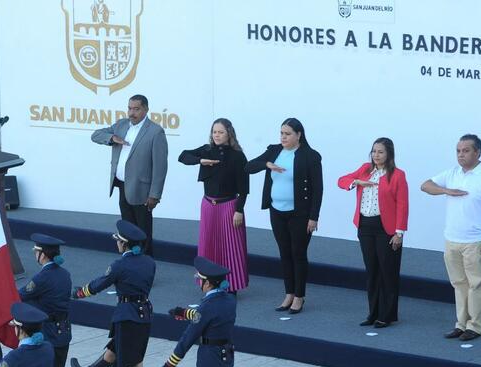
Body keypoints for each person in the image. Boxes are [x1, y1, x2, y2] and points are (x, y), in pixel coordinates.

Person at [70, 220, 158, 367]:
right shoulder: (149, 262)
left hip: (127, 316)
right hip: (144, 314)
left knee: (136, 364)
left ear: (124, 244)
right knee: (114, 350)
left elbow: (99, 284)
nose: (116, 243)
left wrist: (78, 293)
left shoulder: (120, 265)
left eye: (118, 240)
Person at [421, 134, 481, 341]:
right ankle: (461, 323)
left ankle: (474, 326)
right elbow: (425, 185)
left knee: (476, 283)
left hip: (475, 241)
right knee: (459, 283)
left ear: (478, 152)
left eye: (466, 150)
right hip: (451, 239)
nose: (461, 154)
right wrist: (446, 190)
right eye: (458, 151)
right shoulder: (452, 173)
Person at [246, 118, 323, 314]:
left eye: (287, 134)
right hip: (276, 211)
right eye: (281, 133)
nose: (283, 137)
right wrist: (267, 164)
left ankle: (299, 296)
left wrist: (313, 217)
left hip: (300, 214)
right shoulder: (274, 150)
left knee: (298, 253)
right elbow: (248, 167)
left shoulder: (310, 156)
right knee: (284, 252)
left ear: (299, 135)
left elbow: (318, 189)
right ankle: (289, 293)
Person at [17, 233, 83, 367]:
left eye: (36, 252)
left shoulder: (42, 278)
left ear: (42, 255)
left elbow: (20, 296)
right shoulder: (65, 274)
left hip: (48, 339)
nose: (35, 255)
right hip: (62, 335)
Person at [337, 137, 408, 328]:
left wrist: (399, 232)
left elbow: (402, 205)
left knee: (388, 271)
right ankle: (373, 312)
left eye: (381, 152)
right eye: (374, 151)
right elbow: (341, 181)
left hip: (386, 229)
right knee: (372, 271)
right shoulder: (364, 169)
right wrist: (356, 181)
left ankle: (387, 314)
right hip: (365, 226)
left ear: (389, 154)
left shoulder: (398, 175)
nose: (376, 155)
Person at [178, 118, 250, 292]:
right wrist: (200, 161)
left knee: (230, 247)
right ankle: (209, 284)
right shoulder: (206, 150)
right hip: (208, 205)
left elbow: (244, 189)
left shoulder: (238, 156)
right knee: (208, 244)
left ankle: (231, 286)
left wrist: (239, 210)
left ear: (229, 134)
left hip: (229, 206)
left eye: (221, 132)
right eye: (214, 132)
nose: (217, 135)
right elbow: (183, 156)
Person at [91, 94, 168, 255]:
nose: (132, 113)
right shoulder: (121, 125)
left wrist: (155, 195)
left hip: (142, 191)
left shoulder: (155, 132)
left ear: (146, 109)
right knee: (127, 230)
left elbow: (160, 167)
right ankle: (130, 263)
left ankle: (146, 268)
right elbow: (96, 135)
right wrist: (112, 138)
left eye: (136, 109)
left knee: (143, 233)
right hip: (122, 186)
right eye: (130, 108)